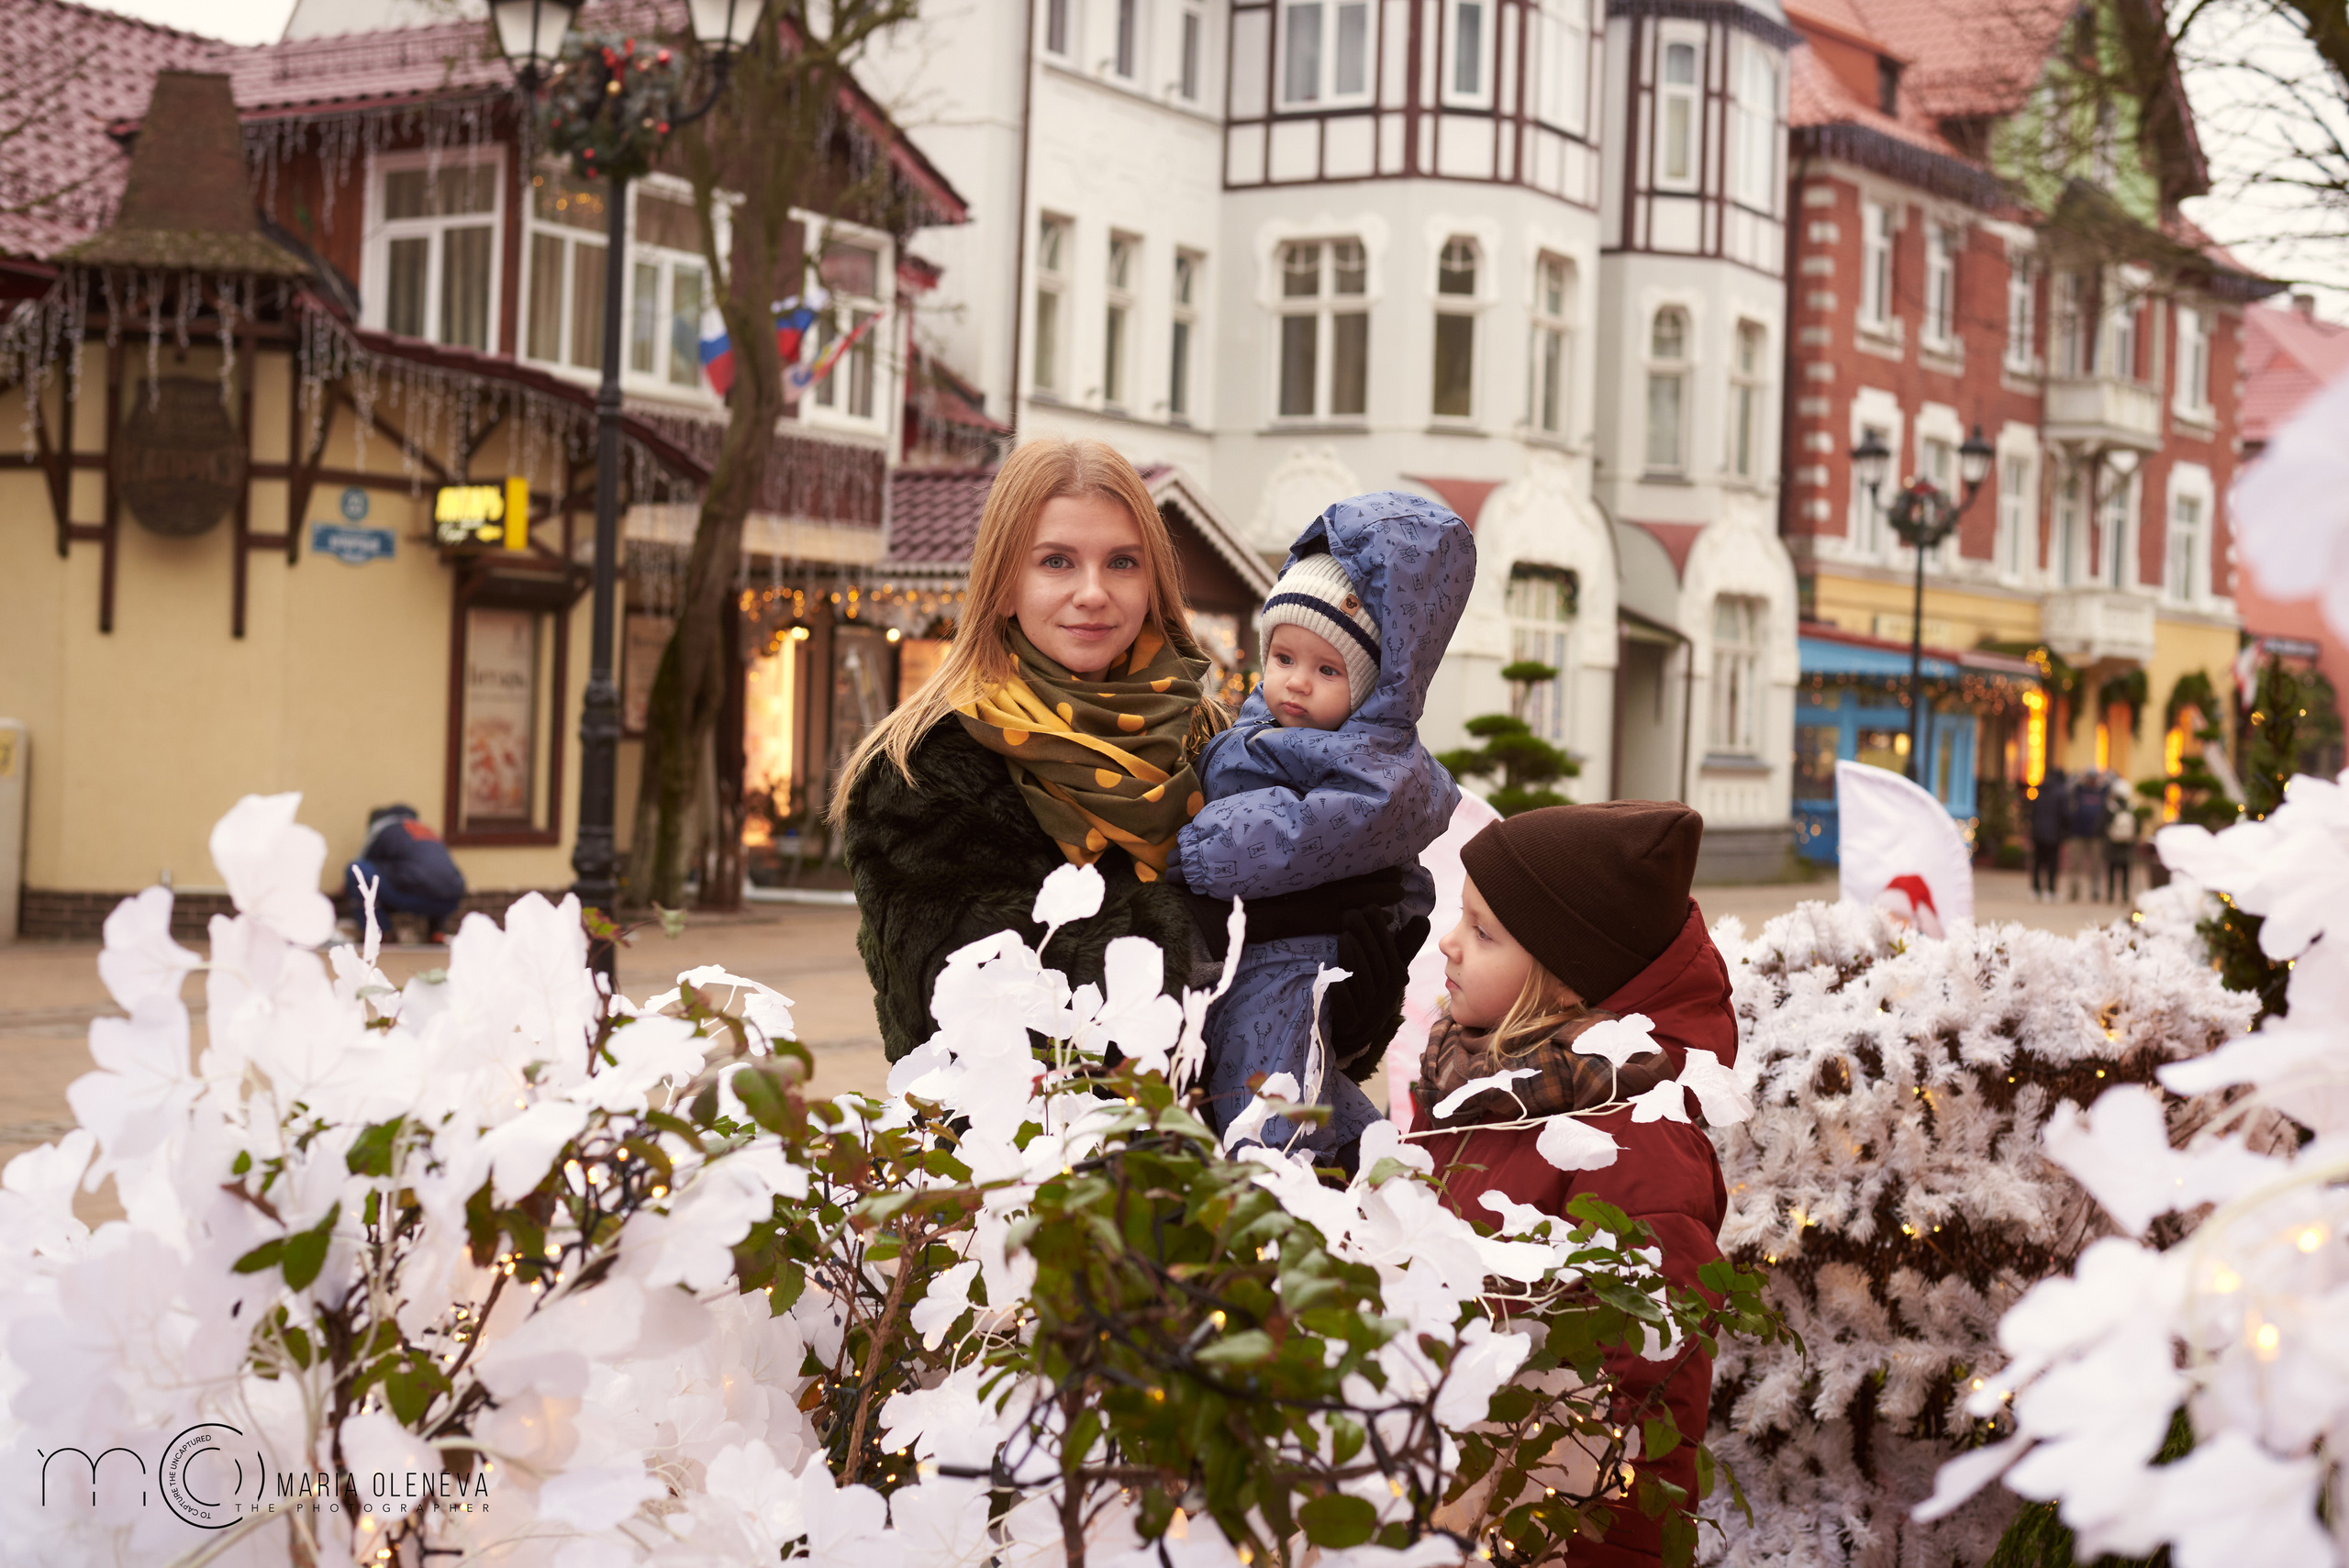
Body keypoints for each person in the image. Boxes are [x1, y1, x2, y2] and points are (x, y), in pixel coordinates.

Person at [833, 439, 1409, 1062]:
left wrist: (1347, 1011)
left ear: (1153, 581)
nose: (1092, 591)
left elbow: (1281, 1010)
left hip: (1216, 1148)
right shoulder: (920, 767)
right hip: (1028, 1150)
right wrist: (1215, 929)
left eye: (1122, 562)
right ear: (1002, 584)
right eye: (1056, 561)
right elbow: (978, 1004)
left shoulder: (1216, 739)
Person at [1408, 801, 1730, 1568]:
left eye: (1484, 932)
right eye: (1463, 916)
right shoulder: (1470, 1080)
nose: (1449, 943)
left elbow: (1649, 1405)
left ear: (1562, 982)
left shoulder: (1640, 1146)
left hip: (1538, 1529)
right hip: (1434, 1489)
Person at [1175, 495, 1475, 1168]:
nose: (1297, 684)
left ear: (1371, 687)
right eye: (1283, 657)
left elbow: (1298, 831)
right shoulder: (1268, 725)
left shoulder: (1378, 768)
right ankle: (1366, 1159)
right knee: (1301, 1084)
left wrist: (1195, 850)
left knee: (1266, 1091)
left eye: (1327, 670)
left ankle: (1276, 1194)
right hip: (1245, 949)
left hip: (1296, 959)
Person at [341, 804, 465, 942]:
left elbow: (363, 864)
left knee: (355, 870)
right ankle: (436, 933)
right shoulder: (427, 830)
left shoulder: (382, 827)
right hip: (451, 900)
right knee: (434, 879)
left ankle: (381, 934)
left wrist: (345, 888)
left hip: (413, 897)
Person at [2065, 770, 2108, 903]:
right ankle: (2074, 891)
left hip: (2096, 835)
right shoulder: (2078, 790)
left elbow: (2111, 787)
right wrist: (2079, 779)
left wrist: (2103, 778)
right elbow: (2069, 789)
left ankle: (2095, 891)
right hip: (2078, 833)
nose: (2091, 781)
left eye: (2093, 778)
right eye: (2089, 778)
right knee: (2075, 864)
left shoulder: (2102, 792)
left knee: (2096, 865)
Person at [2028, 768, 2068, 904]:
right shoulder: (2061, 792)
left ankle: (2035, 889)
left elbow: (2033, 812)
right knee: (2052, 863)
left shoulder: (2041, 790)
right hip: (2053, 834)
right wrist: (2064, 832)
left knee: (2038, 862)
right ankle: (2050, 890)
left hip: (2038, 832)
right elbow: (2065, 815)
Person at [2104, 778, 2142, 902]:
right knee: (2126, 870)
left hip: (2112, 843)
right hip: (2127, 843)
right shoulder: (2132, 807)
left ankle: (2110, 894)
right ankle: (2125, 895)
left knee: (2112, 870)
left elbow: (2103, 824)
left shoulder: (2110, 807)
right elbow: (2138, 827)